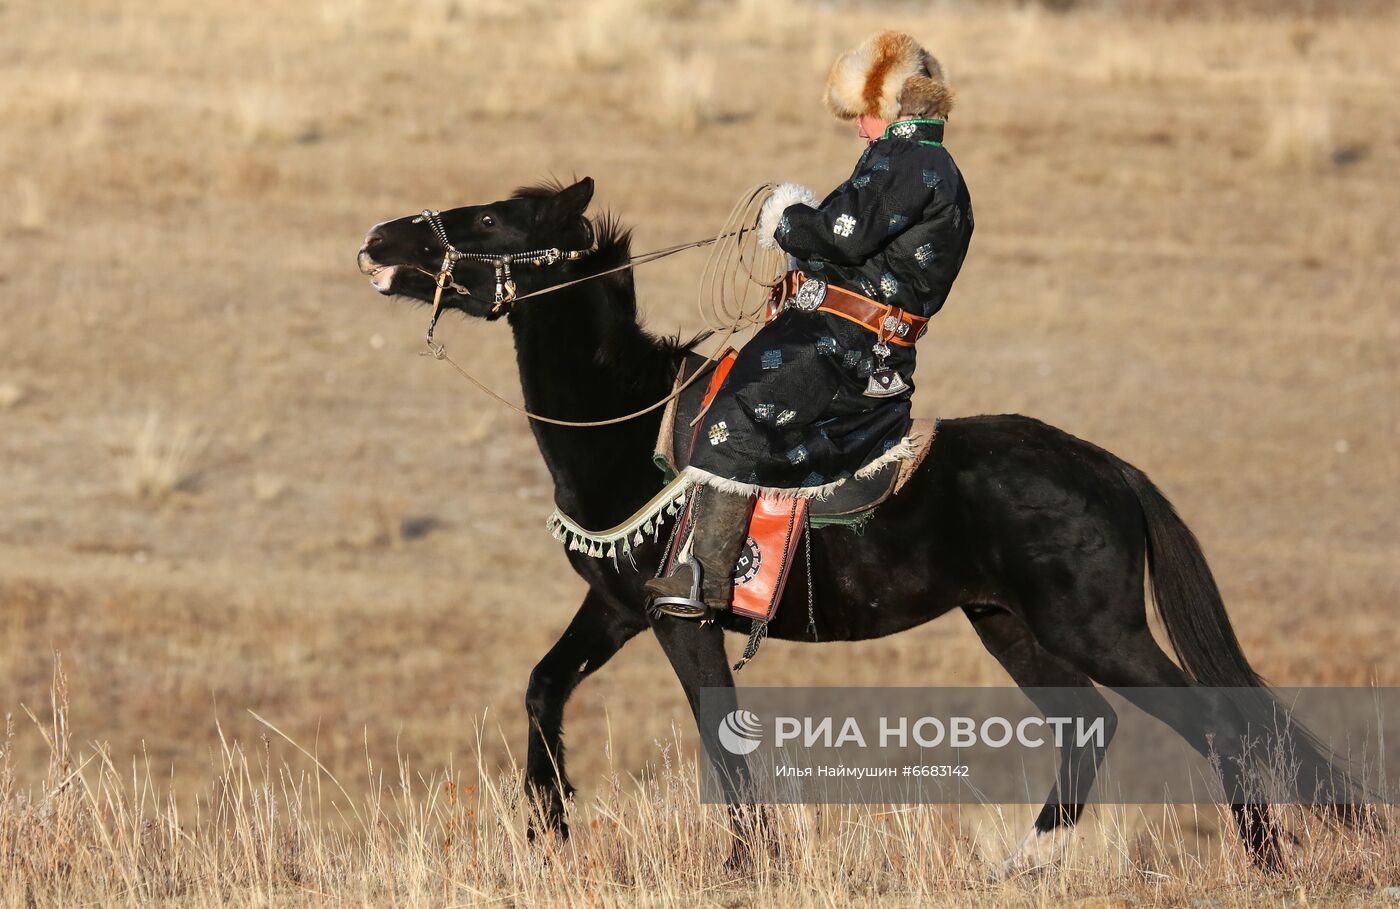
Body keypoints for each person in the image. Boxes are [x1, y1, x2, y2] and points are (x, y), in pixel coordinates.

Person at [644, 31, 974, 620]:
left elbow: (843, 233)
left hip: (851, 345)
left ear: (893, 104)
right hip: (845, 333)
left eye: (863, 111)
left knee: (739, 407)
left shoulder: (914, 161)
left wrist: (788, 220)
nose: (856, 124)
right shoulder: (913, 161)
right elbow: (865, 252)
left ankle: (708, 579)